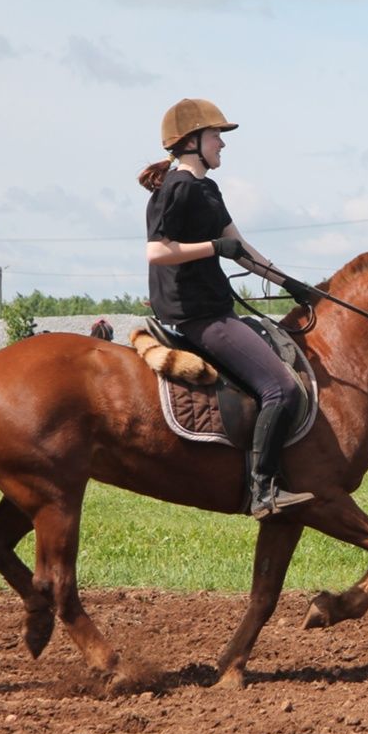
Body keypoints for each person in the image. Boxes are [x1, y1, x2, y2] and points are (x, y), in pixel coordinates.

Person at [138, 97, 317, 520]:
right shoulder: (176, 188)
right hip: (198, 315)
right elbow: (156, 252)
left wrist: (288, 282)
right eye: (216, 135)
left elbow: (241, 249)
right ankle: (263, 491)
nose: (222, 143)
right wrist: (214, 247)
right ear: (192, 141)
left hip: (218, 309)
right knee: (283, 388)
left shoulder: (207, 188)